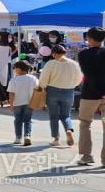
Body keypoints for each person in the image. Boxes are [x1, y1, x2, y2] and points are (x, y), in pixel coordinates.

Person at [39, 45, 83, 147]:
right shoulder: (73, 64)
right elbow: (79, 79)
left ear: (54, 54)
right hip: (68, 91)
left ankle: (56, 138)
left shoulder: (51, 63)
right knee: (66, 115)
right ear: (65, 53)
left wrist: (42, 86)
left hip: (52, 91)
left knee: (53, 116)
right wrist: (71, 85)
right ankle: (68, 130)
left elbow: (43, 79)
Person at [77, 27, 105, 166]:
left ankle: (86, 155)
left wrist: (99, 92)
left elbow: (89, 75)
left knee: (85, 123)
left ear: (89, 38)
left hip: (90, 94)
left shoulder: (83, 54)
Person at [8, 60, 38, 146]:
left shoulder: (14, 79)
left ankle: (18, 137)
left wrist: (11, 104)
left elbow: (11, 93)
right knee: (28, 120)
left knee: (18, 120)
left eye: (15, 68)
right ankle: (27, 136)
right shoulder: (33, 78)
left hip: (17, 103)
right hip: (29, 102)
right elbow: (37, 90)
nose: (15, 70)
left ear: (19, 69)